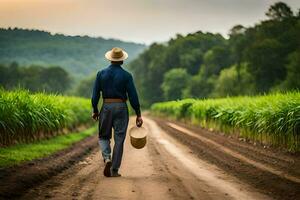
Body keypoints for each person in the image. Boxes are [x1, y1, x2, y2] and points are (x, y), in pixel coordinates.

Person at [91, 47, 143, 177]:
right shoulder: (127, 76)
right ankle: (114, 169)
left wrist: (95, 110)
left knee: (103, 136)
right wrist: (138, 114)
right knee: (119, 139)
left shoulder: (101, 74)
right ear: (122, 61)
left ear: (110, 59)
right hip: (121, 107)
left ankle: (107, 157)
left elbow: (95, 95)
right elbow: (133, 96)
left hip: (107, 106)